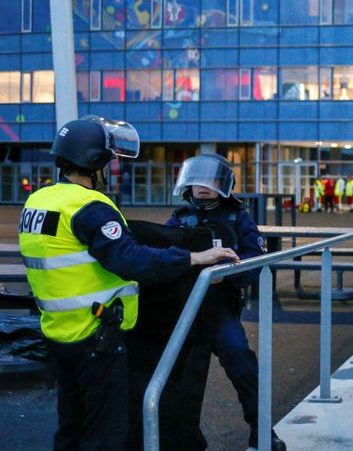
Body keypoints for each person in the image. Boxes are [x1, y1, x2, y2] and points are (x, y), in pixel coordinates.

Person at [18, 115, 236, 451]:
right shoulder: (88, 207)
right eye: (109, 160)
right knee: (105, 432)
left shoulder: (38, 202)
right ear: (94, 161)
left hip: (57, 332)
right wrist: (194, 258)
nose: (112, 167)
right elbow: (132, 260)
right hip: (95, 335)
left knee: (71, 427)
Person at [165, 153, 286, 451]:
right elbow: (163, 253)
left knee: (243, 366)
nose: (203, 186)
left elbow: (256, 256)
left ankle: (262, 431)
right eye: (197, 180)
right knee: (183, 379)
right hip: (186, 310)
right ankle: (186, 440)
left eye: (210, 180)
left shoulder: (237, 217)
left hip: (220, 309)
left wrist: (228, 273)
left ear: (223, 184)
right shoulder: (180, 219)